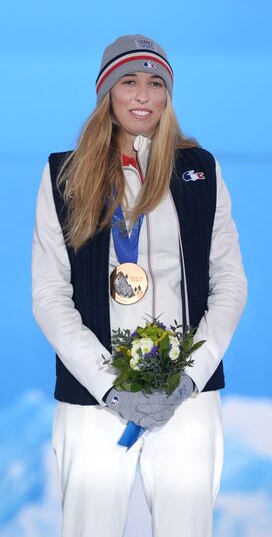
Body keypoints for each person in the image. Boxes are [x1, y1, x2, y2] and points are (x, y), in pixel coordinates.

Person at [32, 34, 247, 537]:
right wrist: (109, 387)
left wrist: (191, 375)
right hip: (95, 396)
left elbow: (231, 280)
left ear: (169, 94)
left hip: (185, 396)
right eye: (129, 82)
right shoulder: (63, 174)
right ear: (107, 91)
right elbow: (49, 293)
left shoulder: (199, 170)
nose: (143, 96)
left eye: (156, 83)